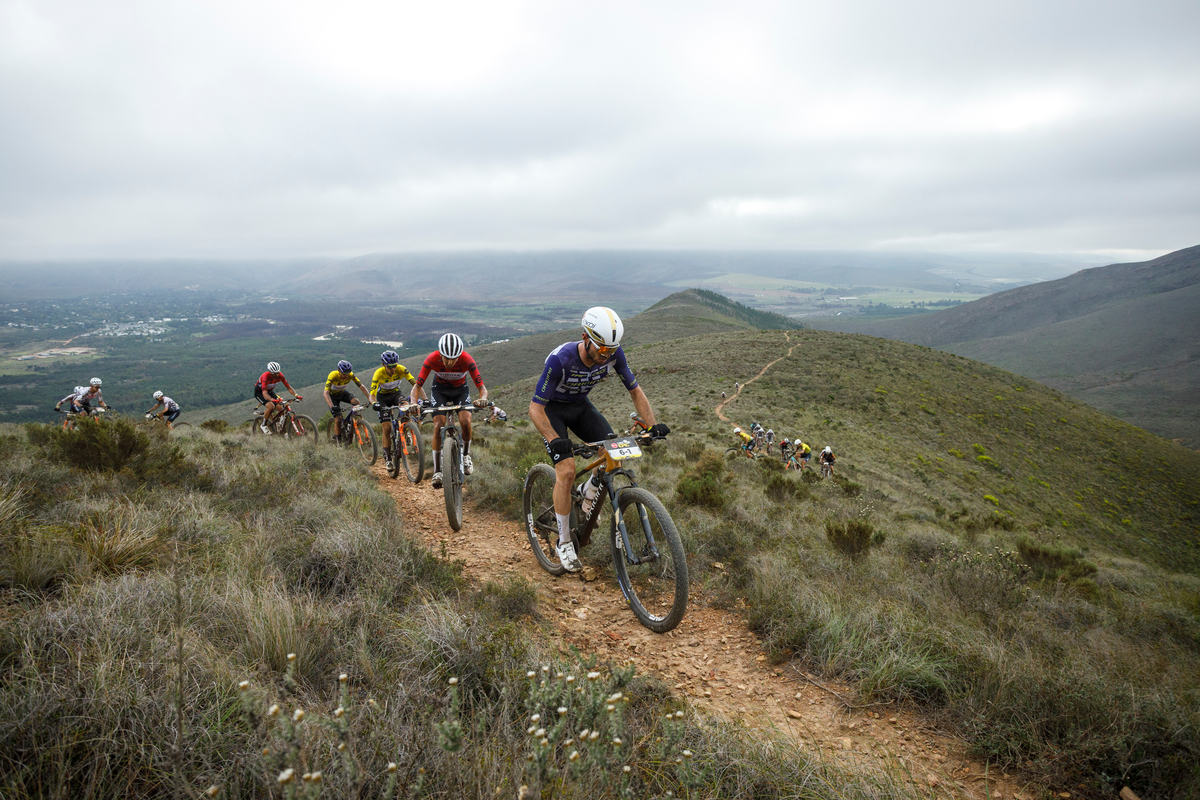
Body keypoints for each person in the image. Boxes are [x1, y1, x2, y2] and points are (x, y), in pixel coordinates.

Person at [527, 306, 668, 573]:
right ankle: (565, 542)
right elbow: (535, 407)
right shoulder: (561, 360)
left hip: (580, 407)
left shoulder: (614, 355)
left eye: (611, 351)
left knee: (615, 451)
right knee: (567, 471)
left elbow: (635, 391)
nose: (606, 356)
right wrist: (555, 438)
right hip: (552, 411)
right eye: (601, 350)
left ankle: (588, 492)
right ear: (585, 338)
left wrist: (652, 425)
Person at [410, 333, 488, 489]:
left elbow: (482, 388)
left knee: (466, 421)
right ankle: (437, 471)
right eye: (446, 358)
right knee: (438, 425)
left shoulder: (467, 360)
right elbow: (417, 387)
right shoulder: (431, 359)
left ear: (460, 356)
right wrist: (413, 403)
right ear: (440, 354)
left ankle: (465, 455)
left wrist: (483, 398)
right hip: (440, 390)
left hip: (460, 391)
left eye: (454, 359)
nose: (450, 362)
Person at [369, 350, 419, 472]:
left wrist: (416, 401)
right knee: (386, 428)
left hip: (396, 394)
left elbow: (416, 384)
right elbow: (372, 395)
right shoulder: (378, 373)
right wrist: (374, 403)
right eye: (390, 367)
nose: (393, 369)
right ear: (383, 365)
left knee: (406, 406)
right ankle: (388, 458)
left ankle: (406, 429)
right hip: (383, 398)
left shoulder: (401, 369)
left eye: (394, 366)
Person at [324, 359, 369, 439]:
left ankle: (350, 423)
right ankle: (339, 441)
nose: (346, 376)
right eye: (344, 374)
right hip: (332, 396)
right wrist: (331, 406)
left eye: (347, 374)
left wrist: (370, 398)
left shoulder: (350, 375)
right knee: (337, 420)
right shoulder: (333, 375)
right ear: (339, 371)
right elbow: (326, 392)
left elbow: (361, 386)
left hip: (342, 393)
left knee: (356, 402)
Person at [254, 362, 302, 434]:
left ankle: (279, 427)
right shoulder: (265, 376)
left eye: (277, 373)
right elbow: (264, 393)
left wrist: (296, 395)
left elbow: (288, 387)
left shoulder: (280, 375)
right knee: (271, 406)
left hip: (269, 391)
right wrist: (273, 400)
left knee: (280, 408)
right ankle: (263, 425)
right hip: (260, 392)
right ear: (270, 372)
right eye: (274, 374)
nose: (276, 375)